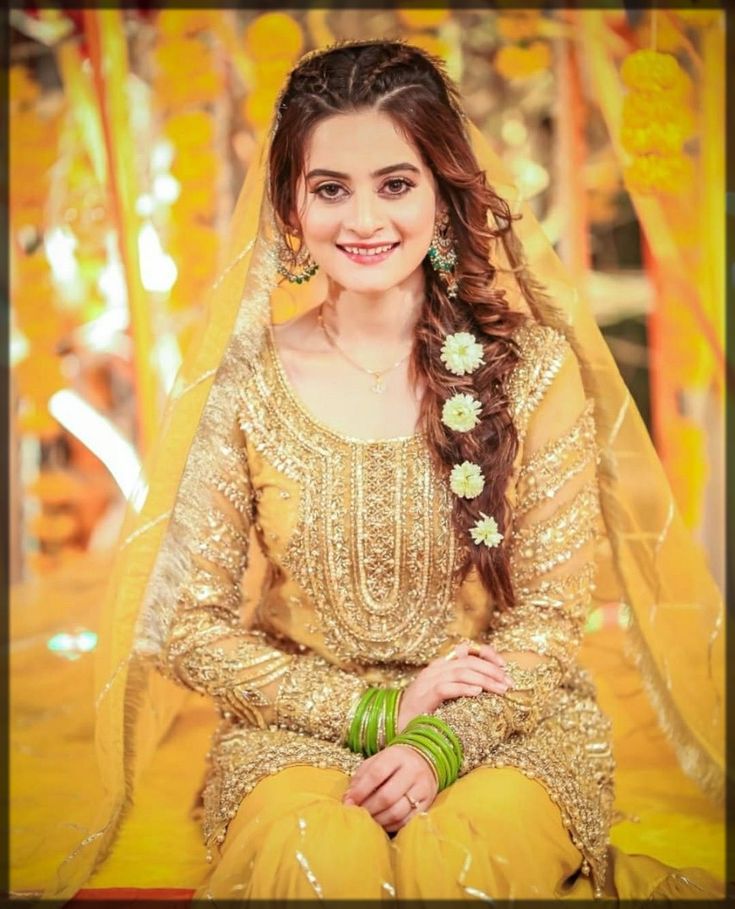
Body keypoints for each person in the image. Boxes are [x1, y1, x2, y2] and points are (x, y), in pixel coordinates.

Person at [44, 40, 725, 902]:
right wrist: (373, 715)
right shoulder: (243, 382)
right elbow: (188, 626)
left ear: (442, 194)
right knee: (319, 866)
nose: (362, 220)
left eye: (394, 184)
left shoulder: (534, 371)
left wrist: (436, 741)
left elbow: (551, 621)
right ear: (291, 206)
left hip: (506, 728)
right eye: (331, 188)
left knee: (460, 867)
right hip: (297, 730)